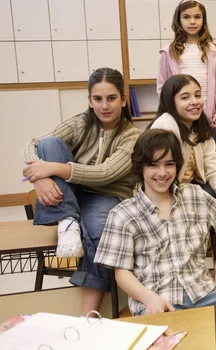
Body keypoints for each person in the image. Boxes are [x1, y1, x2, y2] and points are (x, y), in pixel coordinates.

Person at [21, 68, 141, 314]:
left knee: (100, 231)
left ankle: (89, 316)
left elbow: (106, 173)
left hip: (108, 195)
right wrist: (40, 180)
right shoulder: (80, 123)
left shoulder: (132, 136)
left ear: (123, 99)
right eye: (97, 99)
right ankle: (67, 220)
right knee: (49, 143)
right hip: (73, 193)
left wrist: (54, 168)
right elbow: (31, 145)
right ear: (89, 100)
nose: (104, 105)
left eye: (111, 98)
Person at [95, 129, 216, 316]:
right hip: (158, 300)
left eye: (169, 164)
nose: (162, 173)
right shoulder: (123, 214)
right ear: (140, 167)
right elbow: (122, 274)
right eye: (153, 165)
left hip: (204, 292)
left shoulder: (194, 194)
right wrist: (148, 298)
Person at [150, 74, 216, 222]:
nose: (194, 102)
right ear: (171, 102)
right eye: (185, 97)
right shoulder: (165, 126)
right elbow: (159, 176)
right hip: (166, 192)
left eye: (197, 95)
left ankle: (196, 212)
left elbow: (214, 170)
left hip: (191, 189)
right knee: (211, 193)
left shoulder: (200, 127)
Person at [157, 0, 216, 132]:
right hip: (179, 120)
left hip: (207, 120)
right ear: (178, 20)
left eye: (197, 17)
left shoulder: (213, 51)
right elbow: (162, 88)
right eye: (186, 17)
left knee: (208, 152)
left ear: (203, 20)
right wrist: (170, 113)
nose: (192, 22)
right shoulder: (168, 52)